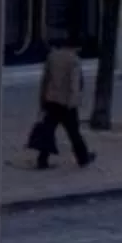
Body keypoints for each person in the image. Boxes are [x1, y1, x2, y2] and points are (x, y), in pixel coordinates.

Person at [34, 41, 94, 169]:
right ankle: (83, 158)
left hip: (51, 100)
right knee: (74, 132)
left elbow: (45, 79)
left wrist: (42, 99)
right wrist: (74, 102)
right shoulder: (74, 60)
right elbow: (74, 83)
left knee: (48, 130)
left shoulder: (52, 56)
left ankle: (42, 159)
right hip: (66, 102)